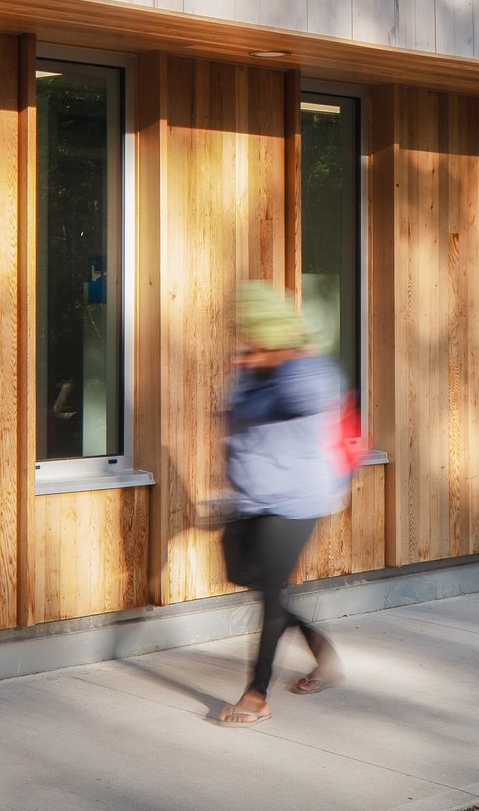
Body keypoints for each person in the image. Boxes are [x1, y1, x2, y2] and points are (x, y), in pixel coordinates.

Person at [215, 279, 350, 726]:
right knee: (243, 576)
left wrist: (275, 365)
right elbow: (237, 420)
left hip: (296, 498)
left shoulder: (307, 372)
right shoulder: (252, 367)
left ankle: (256, 694)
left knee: (270, 594)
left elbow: (301, 401)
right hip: (252, 498)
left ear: (272, 334)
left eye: (254, 337)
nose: (245, 346)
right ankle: (321, 648)